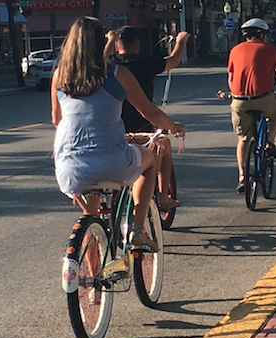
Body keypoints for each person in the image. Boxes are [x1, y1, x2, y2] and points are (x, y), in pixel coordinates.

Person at [51, 16, 185, 251]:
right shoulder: (116, 73)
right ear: (101, 42)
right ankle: (137, 228)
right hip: (113, 161)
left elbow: (56, 120)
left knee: (91, 219)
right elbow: (150, 112)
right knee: (151, 160)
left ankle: (93, 257)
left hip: (69, 168)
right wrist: (173, 127)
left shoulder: (59, 75)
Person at [108, 26, 190, 210]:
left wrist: (109, 40)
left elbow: (103, 57)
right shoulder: (144, 62)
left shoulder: (109, 65)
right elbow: (172, 61)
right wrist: (180, 42)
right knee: (164, 145)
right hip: (140, 129)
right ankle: (163, 197)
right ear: (137, 44)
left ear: (116, 46)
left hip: (111, 132)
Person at [225, 17, 276, 194]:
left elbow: (231, 77)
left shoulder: (234, 50)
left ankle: (242, 177)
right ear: (263, 35)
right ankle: (269, 142)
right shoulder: (270, 50)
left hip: (239, 100)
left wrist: (235, 94)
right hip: (264, 98)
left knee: (242, 139)